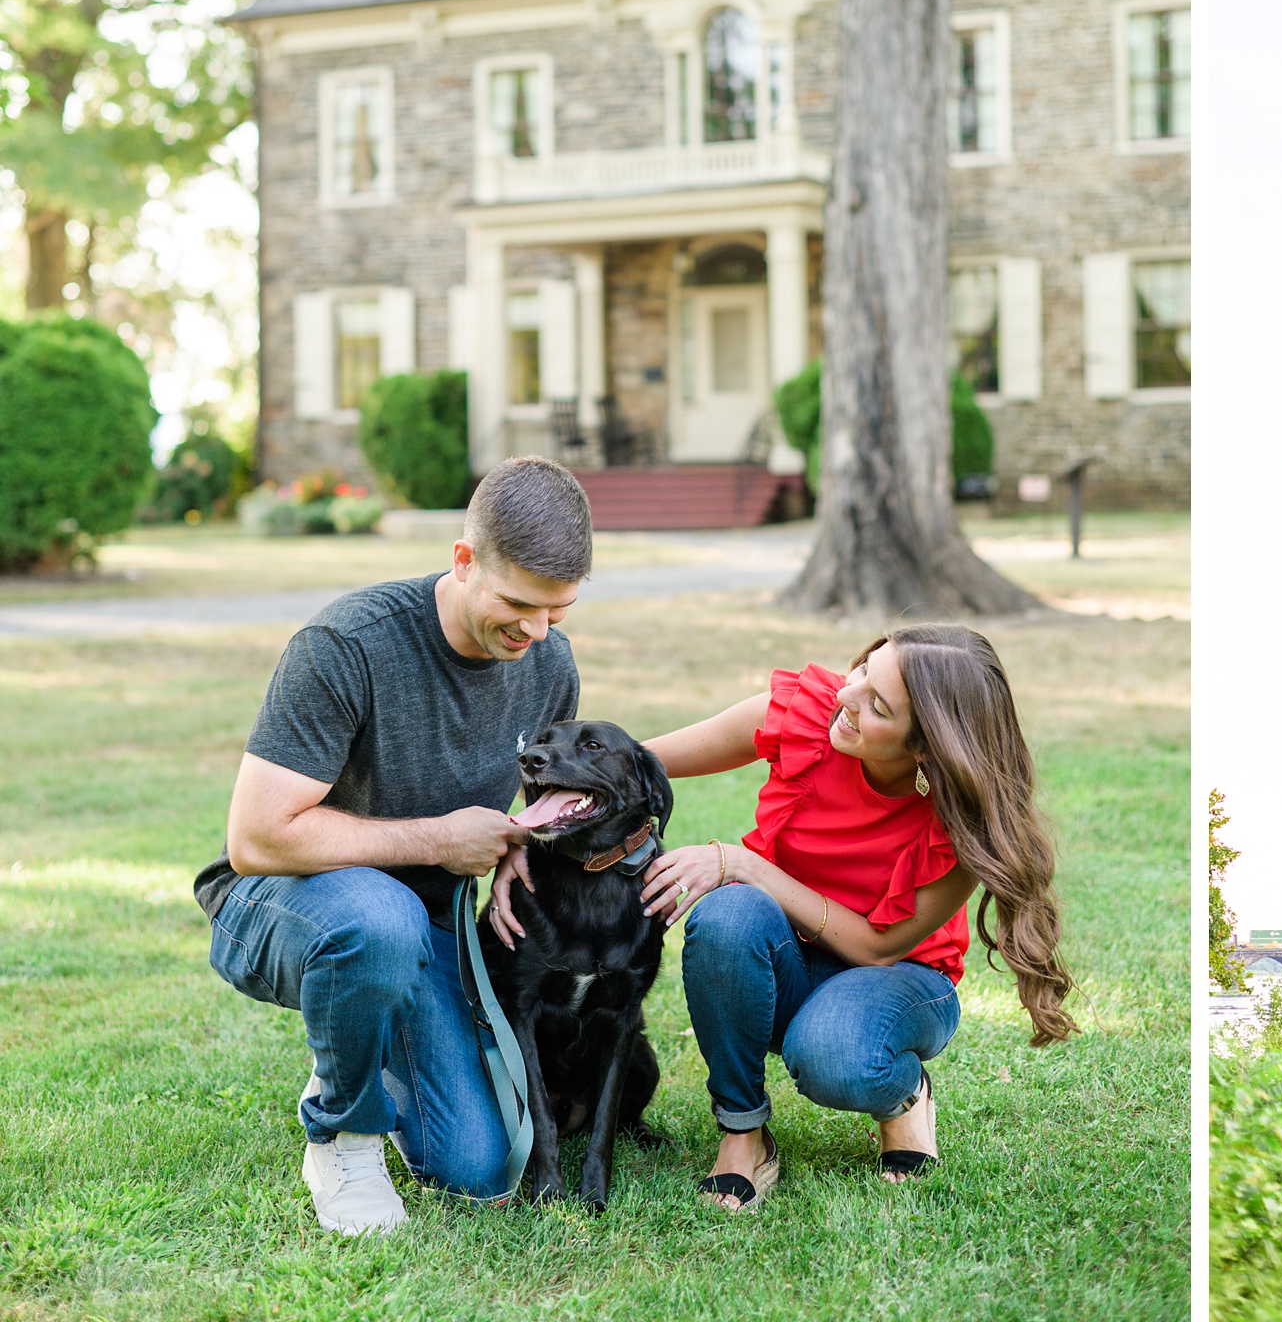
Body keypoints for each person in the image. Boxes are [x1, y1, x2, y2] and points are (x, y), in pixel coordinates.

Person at [492, 624, 1075, 1209]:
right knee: (727, 914)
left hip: (894, 979)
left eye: (876, 705)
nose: (845, 699)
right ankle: (743, 1132)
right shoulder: (806, 712)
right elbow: (627, 768)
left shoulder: (966, 820)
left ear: (927, 747)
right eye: (862, 671)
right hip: (782, 956)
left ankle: (903, 1095)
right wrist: (532, 825)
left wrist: (748, 865)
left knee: (833, 1056)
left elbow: (877, 947)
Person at [191, 456, 592, 1236]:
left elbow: (535, 799)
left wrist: (521, 845)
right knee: (378, 916)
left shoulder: (548, 663)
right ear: (464, 560)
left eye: (559, 611)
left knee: (478, 1168)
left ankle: (360, 1030)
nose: (536, 632)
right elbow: (256, 838)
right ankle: (342, 1133)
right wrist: (440, 838)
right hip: (288, 904)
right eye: (517, 604)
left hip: (424, 925)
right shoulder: (347, 644)